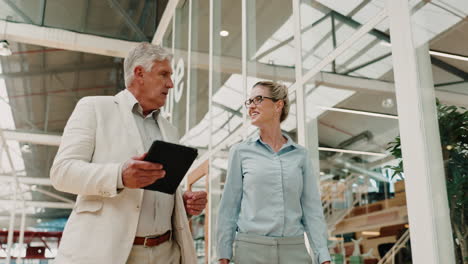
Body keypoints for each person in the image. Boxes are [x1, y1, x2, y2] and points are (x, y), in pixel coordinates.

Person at [50, 43, 207, 264]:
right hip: (110, 253)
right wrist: (119, 176)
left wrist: (183, 204)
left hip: (166, 253)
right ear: (139, 73)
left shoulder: (169, 130)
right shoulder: (94, 108)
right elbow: (62, 172)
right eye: (163, 74)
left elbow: (159, 192)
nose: (170, 84)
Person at [216, 81, 331, 264]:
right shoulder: (240, 152)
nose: (251, 106)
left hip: (294, 252)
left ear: (278, 105)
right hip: (250, 251)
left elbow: (312, 210)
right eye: (250, 101)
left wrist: (323, 256)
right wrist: (224, 254)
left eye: (259, 99)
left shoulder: (300, 155)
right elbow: (229, 207)